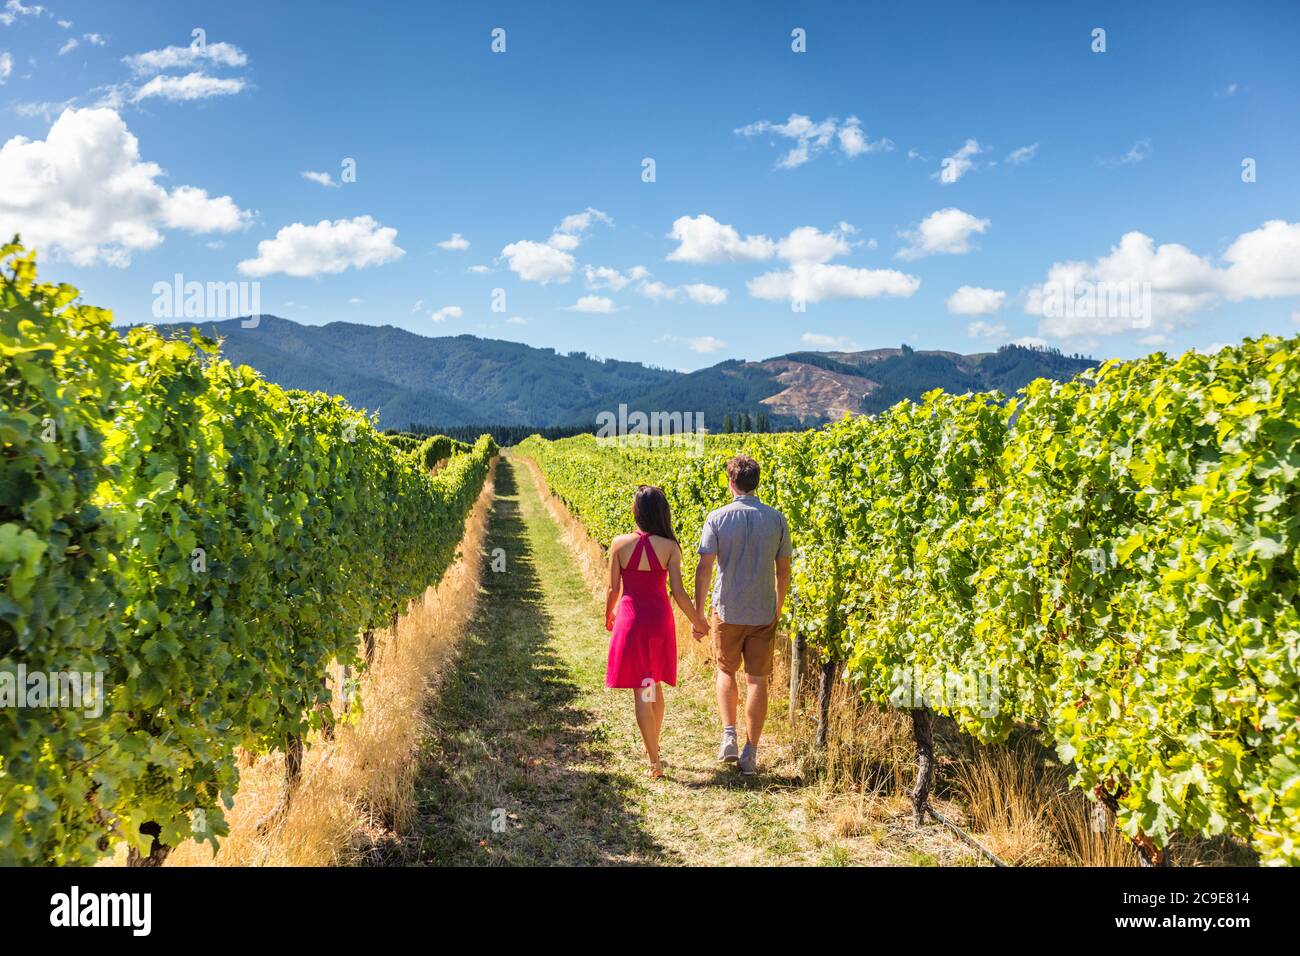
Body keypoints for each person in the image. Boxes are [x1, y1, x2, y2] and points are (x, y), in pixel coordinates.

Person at [692, 455, 791, 776]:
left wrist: (698, 612)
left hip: (727, 609)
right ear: (756, 482)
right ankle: (751, 752)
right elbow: (784, 571)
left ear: (731, 482)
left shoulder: (717, 518)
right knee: (758, 680)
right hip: (763, 610)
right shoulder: (777, 520)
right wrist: (777, 606)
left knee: (725, 671)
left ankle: (729, 736)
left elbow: (704, 568)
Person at [606, 485, 709, 778]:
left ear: (636, 512)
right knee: (653, 684)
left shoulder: (619, 544)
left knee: (641, 688)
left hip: (631, 619)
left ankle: (654, 760)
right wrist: (698, 620)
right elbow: (678, 592)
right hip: (659, 621)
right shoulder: (670, 547)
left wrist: (608, 615)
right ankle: (654, 744)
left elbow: (613, 588)